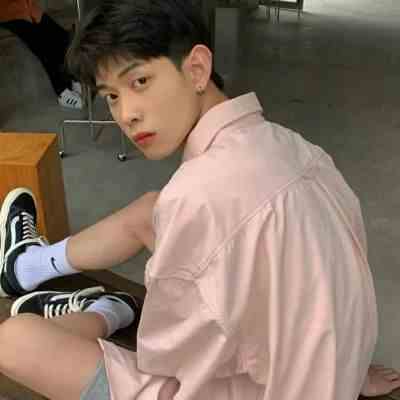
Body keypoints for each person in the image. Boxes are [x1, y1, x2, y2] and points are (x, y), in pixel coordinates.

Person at [0, 1, 399, 399]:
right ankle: (28, 267)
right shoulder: (299, 150)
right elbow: (341, 269)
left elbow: (166, 358)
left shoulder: (196, 197)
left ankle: (104, 311)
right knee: (151, 211)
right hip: (330, 376)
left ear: (196, 69)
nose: (127, 114)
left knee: (13, 340)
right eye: (112, 96)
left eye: (140, 81)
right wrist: (349, 370)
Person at [0, 0, 83, 109]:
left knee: (62, 37)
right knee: (42, 45)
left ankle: (73, 77)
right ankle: (62, 92)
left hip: (30, 8)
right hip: (8, 13)